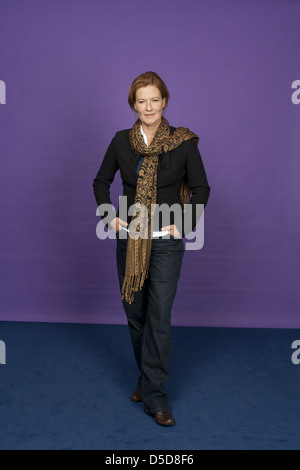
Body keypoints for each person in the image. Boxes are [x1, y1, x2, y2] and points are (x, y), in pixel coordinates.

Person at [93, 71, 210, 426]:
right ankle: (147, 377)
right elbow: (101, 182)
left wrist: (185, 222)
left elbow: (202, 189)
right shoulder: (119, 141)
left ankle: (156, 397)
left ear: (165, 102)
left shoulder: (183, 142)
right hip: (130, 240)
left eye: (154, 100)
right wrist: (109, 215)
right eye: (141, 100)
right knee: (136, 315)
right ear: (133, 105)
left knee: (159, 317)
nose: (148, 106)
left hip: (168, 244)